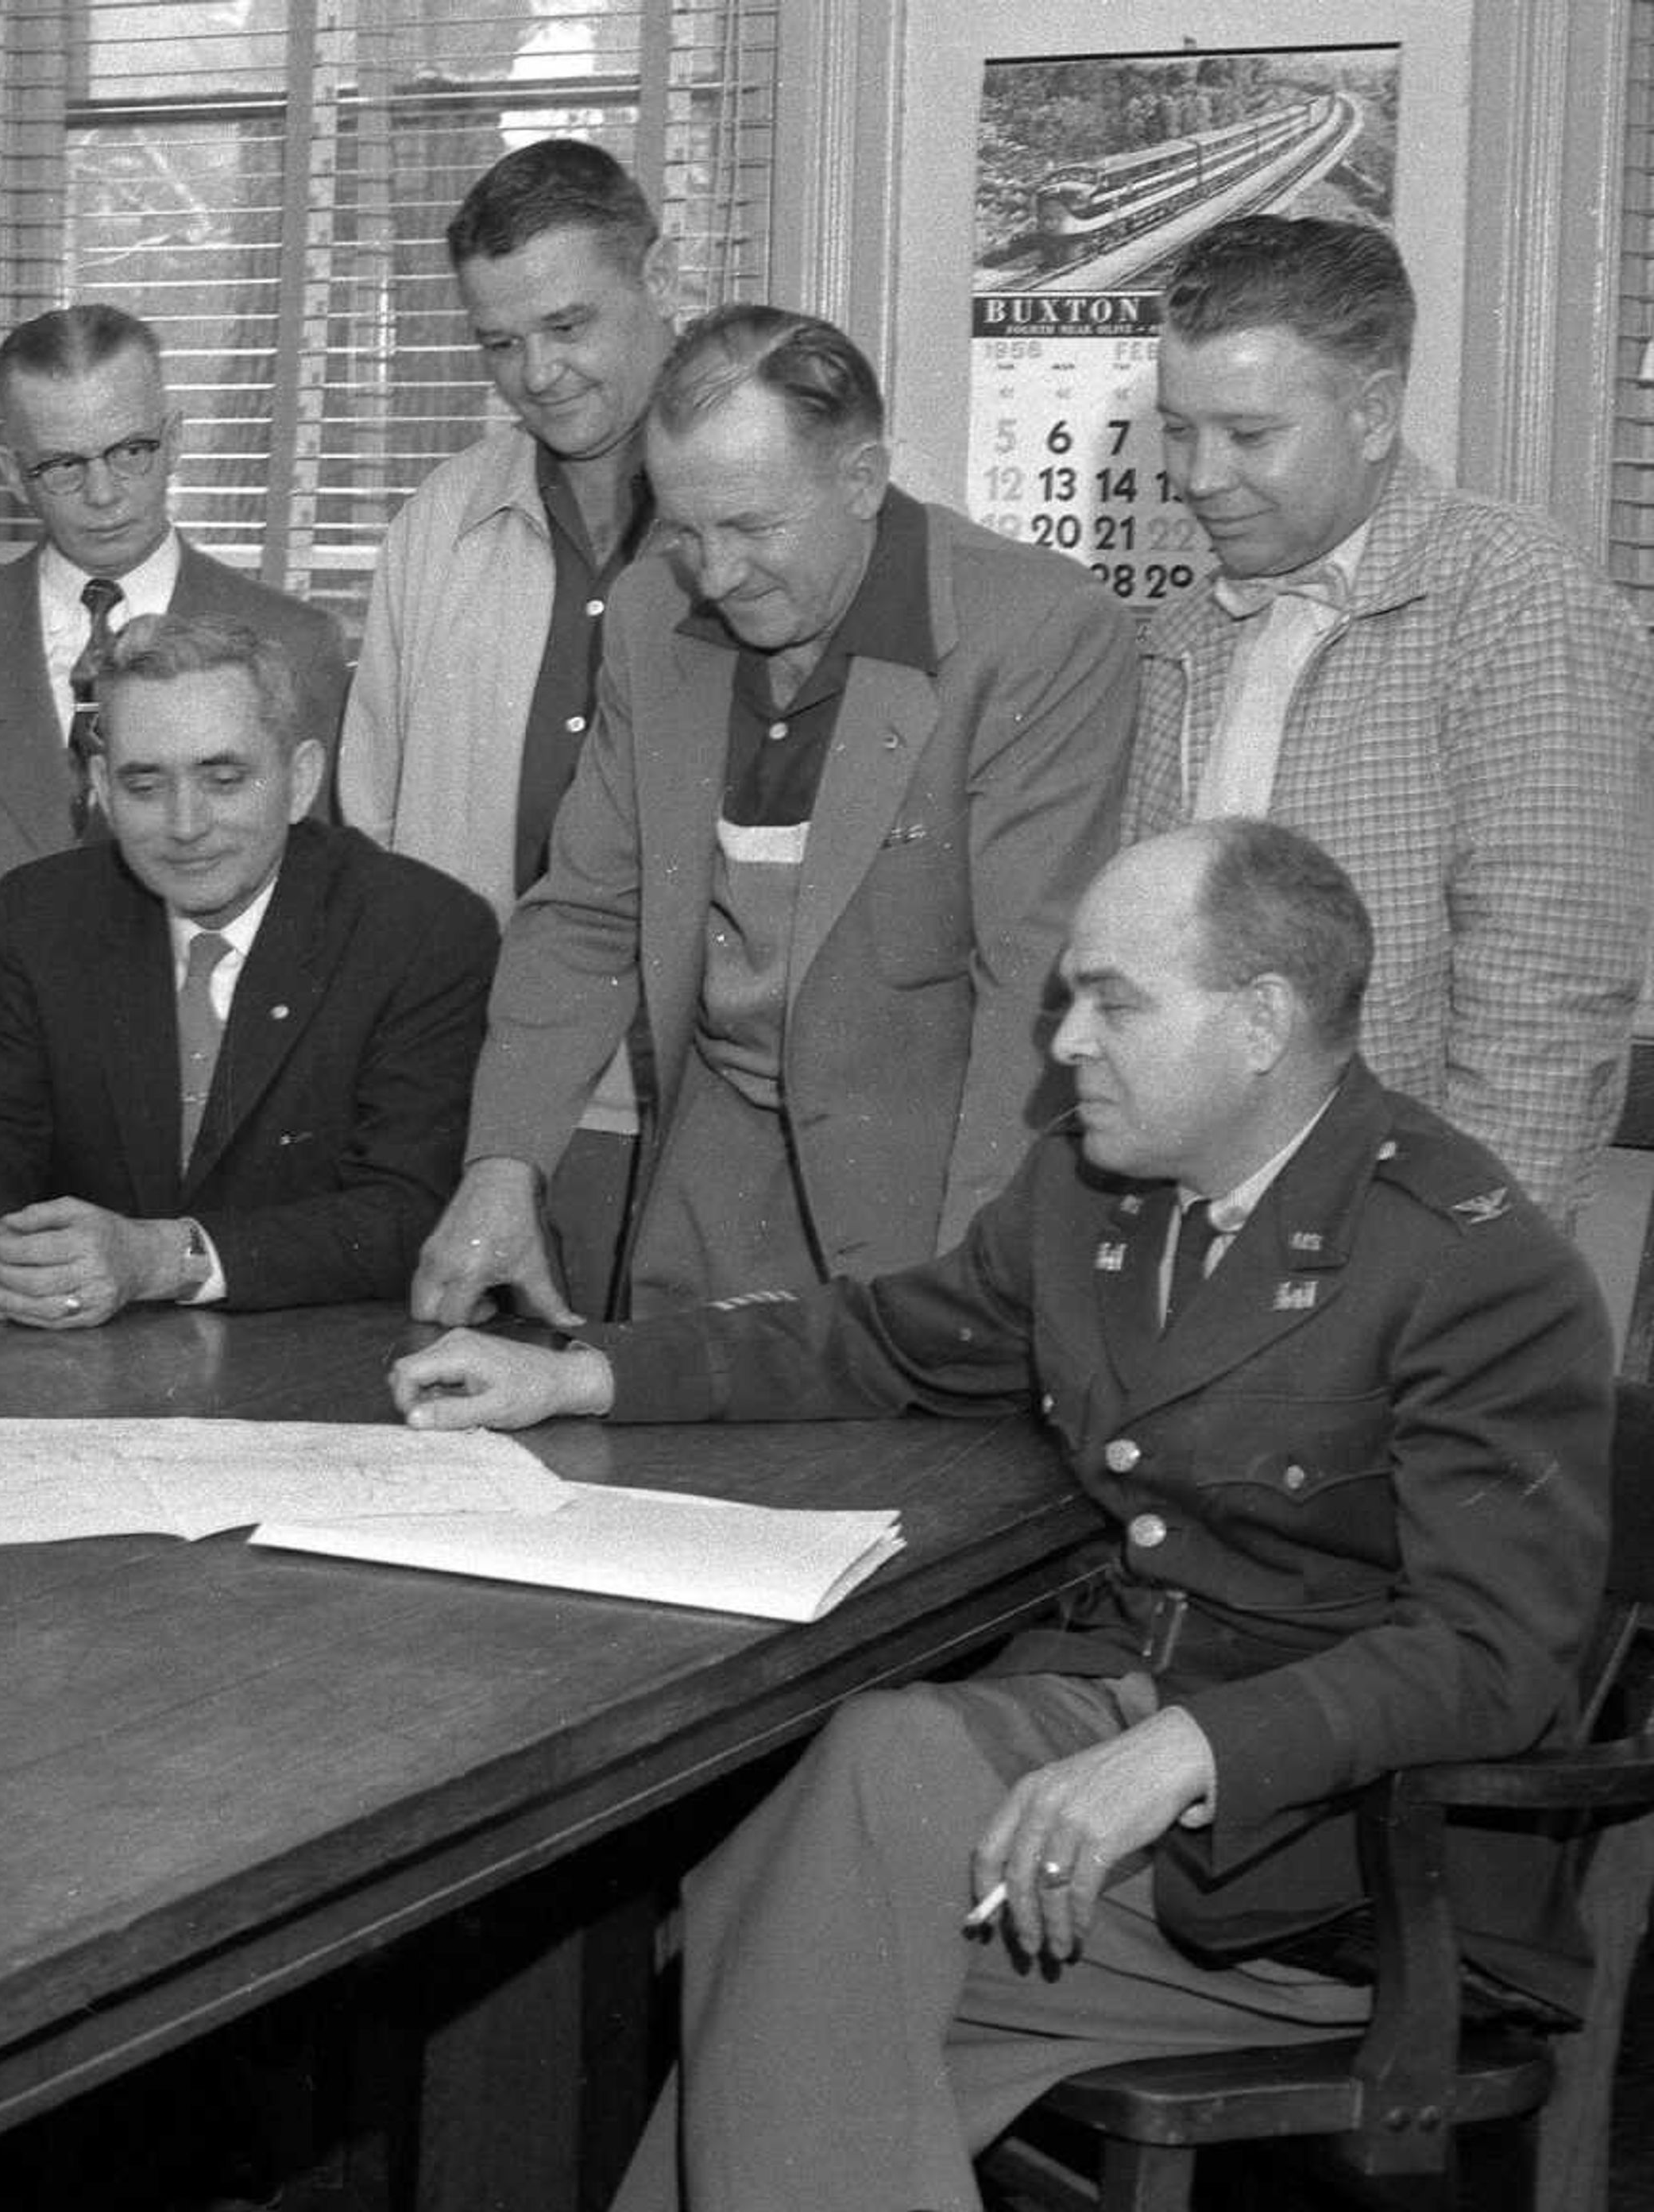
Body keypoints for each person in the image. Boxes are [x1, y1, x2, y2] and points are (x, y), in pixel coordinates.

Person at [392, 822, 1610, 2212]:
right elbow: (889, 1337)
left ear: (1263, 1018)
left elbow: (1497, 1655)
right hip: (1107, 1728)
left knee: (776, 1918)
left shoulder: (1467, 1261)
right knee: (854, 1809)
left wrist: (1184, 1747)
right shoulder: (1098, 1181)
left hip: (1330, 1854)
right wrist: (578, 1367)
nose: (1068, 1042)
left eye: (1116, 999)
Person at [413, 306, 1135, 1329]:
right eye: (686, 530)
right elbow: (584, 914)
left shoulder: (1038, 633)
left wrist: (977, 1295)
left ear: (863, 480)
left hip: (929, 1213)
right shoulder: (651, 616)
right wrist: (501, 1169)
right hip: (704, 1202)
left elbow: (1034, 994)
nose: (716, 575)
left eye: (753, 529)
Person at [1126, 213, 1654, 1228]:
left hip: (1406, 1244)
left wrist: (1463, 1274)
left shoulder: (1512, 596)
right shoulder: (1187, 627)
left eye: (1249, 435)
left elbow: (1547, 1000)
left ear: (1372, 414)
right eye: (1179, 428)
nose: (1198, 477)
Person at [0, 613, 495, 1325]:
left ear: (301, 778)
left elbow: (412, 1211)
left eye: (222, 779)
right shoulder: (42, 913)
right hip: (83, 1364)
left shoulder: (420, 928)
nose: (186, 826)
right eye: (145, 785)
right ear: (101, 786)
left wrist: (161, 1259)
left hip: (323, 1360)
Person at [335, 139, 678, 1309]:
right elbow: (374, 821)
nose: (537, 374)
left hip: (700, 1106)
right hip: (487, 1109)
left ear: (661, 278)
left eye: (570, 325)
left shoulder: (763, 509)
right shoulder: (440, 521)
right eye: (498, 342)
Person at [0, 304, 353, 1055]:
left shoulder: (293, 643)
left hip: (213, 1069)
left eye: (132, 452)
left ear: (176, 441)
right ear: (9, 474)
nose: (104, 494)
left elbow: (311, 909)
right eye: (63, 466)